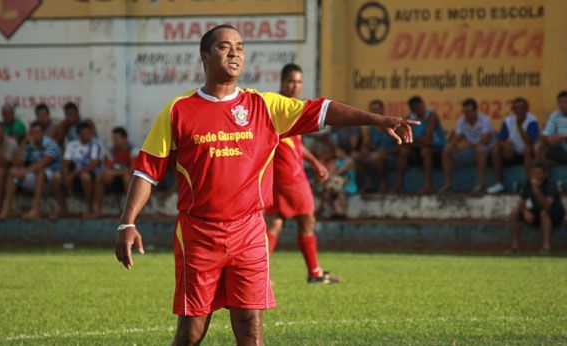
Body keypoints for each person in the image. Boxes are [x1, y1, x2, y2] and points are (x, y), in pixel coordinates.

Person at [114, 25, 417, 345]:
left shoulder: (266, 106)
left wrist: (376, 119)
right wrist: (127, 223)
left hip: (249, 232)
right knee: (190, 333)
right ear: (204, 56)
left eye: (240, 47)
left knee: (251, 332)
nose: (235, 53)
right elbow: (146, 171)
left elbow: (324, 110)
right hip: (199, 235)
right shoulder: (178, 111)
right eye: (224, 47)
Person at [264, 63, 336, 284]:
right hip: (289, 175)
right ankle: (314, 272)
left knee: (275, 223)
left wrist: (314, 162)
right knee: (307, 219)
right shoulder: (277, 107)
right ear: (282, 82)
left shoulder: (292, 106)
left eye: (299, 82)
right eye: (291, 81)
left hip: (283, 175)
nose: (295, 86)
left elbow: (295, 144)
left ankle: (258, 275)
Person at [0, 122, 63, 220]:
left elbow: (42, 164)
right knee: (13, 172)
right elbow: (17, 162)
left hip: (52, 179)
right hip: (35, 179)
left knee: (40, 171)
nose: (34, 135)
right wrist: (24, 143)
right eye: (32, 133)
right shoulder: (30, 146)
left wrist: (25, 171)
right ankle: (7, 210)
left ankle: (36, 210)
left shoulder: (51, 145)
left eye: (37, 133)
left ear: (43, 133)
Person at [509, 161, 565, 254]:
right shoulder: (528, 183)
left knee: (544, 213)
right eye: (534, 173)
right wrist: (524, 211)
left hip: (554, 215)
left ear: (545, 174)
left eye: (539, 173)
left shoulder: (550, 184)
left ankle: (546, 247)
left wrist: (536, 189)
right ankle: (515, 246)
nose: (537, 176)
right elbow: (521, 201)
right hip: (536, 212)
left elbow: (546, 205)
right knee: (515, 212)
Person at [441, 98, 494, 192]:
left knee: (480, 149)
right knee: (446, 150)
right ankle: (448, 184)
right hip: (470, 150)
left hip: (485, 150)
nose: (467, 114)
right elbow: (457, 136)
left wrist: (466, 146)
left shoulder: (485, 119)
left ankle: (481, 184)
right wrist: (453, 144)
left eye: (469, 111)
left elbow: (484, 141)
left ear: (475, 111)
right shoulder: (462, 120)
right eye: (465, 112)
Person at [487, 98, 539, 193]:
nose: (519, 111)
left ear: (526, 109)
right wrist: (506, 146)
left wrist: (519, 126)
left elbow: (530, 141)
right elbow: (500, 139)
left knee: (527, 149)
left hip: (528, 152)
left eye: (522, 108)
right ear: (513, 110)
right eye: (516, 108)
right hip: (514, 151)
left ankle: (529, 183)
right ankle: (499, 184)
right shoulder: (508, 120)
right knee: (495, 151)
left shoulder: (532, 120)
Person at [395, 96, 445, 193]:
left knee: (425, 151)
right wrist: (414, 142)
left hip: (435, 149)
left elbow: (427, 138)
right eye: (417, 109)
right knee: (404, 152)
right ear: (413, 110)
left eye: (421, 107)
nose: (420, 110)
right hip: (418, 147)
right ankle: (399, 185)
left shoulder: (432, 116)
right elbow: (407, 139)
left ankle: (427, 185)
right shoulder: (409, 118)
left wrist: (414, 142)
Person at [89, 127, 137, 218]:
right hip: (115, 179)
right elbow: (107, 168)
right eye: (113, 139)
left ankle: (128, 212)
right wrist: (110, 173)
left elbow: (132, 169)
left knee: (127, 177)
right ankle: (97, 211)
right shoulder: (111, 151)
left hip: (130, 181)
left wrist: (114, 173)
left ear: (124, 139)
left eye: (116, 139)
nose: (114, 141)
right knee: (100, 177)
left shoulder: (134, 150)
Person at [61, 121, 104, 217]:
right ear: (78, 134)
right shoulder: (71, 145)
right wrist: (65, 176)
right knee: (56, 178)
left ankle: (89, 209)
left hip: (92, 174)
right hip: (76, 174)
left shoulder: (95, 144)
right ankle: (62, 210)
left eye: (88, 133)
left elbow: (92, 165)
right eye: (83, 134)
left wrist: (72, 175)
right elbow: (65, 162)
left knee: (85, 177)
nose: (86, 136)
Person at [365, 100, 398, 193]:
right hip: (375, 154)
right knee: (358, 158)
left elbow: (402, 146)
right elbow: (367, 144)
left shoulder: (392, 125)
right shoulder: (370, 128)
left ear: (382, 110)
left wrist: (387, 151)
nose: (375, 112)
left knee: (377, 158)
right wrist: (366, 149)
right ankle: (368, 183)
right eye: (373, 110)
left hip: (390, 154)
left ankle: (383, 184)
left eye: (377, 109)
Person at [538, 91, 567, 164]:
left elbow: (563, 138)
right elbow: (546, 135)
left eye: (566, 102)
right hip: (561, 149)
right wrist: (549, 139)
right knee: (541, 148)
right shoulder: (555, 115)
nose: (563, 105)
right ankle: (544, 174)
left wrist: (563, 138)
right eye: (560, 103)